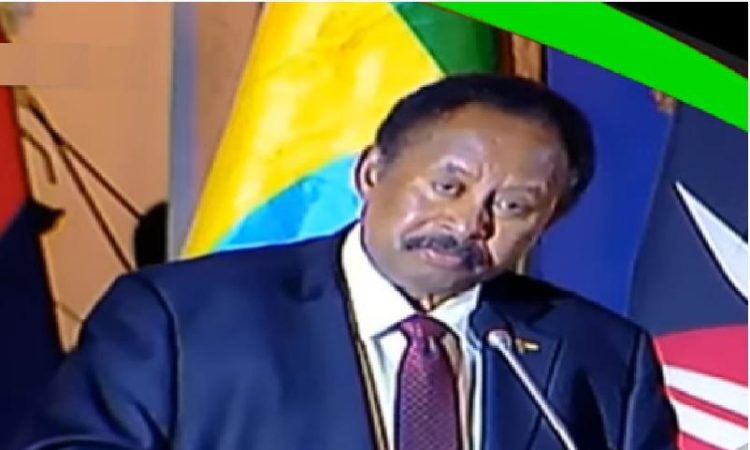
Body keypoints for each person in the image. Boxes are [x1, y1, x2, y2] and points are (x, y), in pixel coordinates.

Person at [13, 75, 678, 450]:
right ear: (370, 173)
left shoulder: (601, 357)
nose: (467, 224)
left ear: (548, 221)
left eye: (512, 206)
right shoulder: (181, 318)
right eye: (447, 186)